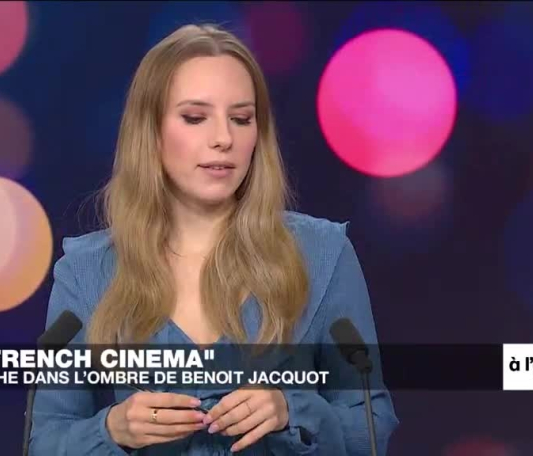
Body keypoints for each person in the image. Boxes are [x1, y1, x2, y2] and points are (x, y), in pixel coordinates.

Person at [29, 23, 399, 455]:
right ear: (150, 131)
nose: (223, 139)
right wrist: (112, 429)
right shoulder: (86, 272)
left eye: (241, 119)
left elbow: (372, 425)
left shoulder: (322, 255)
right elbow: (43, 441)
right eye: (195, 118)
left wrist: (292, 411)